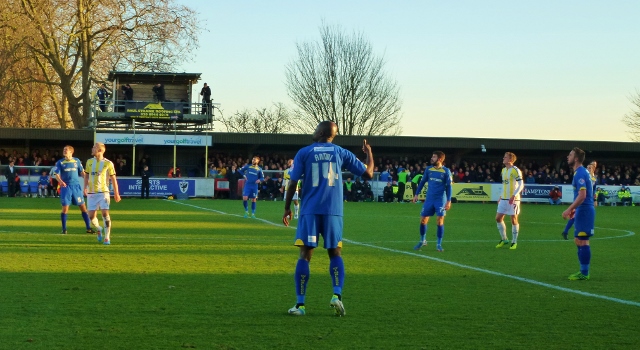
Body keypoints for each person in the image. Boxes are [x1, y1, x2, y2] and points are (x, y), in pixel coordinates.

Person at [283, 121, 373, 317]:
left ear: (322, 132)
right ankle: (336, 295)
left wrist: (287, 207)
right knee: (335, 253)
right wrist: (369, 153)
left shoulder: (305, 152)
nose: (313, 131)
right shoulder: (341, 152)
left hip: (310, 211)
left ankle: (300, 305)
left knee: (305, 255)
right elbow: (368, 173)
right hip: (333, 211)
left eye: (316, 129)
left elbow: (293, 182)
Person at [562, 147, 595, 280]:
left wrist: (569, 209)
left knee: (583, 241)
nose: (567, 157)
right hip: (582, 210)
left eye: (570, 155)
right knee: (578, 240)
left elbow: (582, 196)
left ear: (576, 158)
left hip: (585, 210)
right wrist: (575, 209)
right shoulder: (580, 172)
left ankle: (584, 272)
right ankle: (583, 270)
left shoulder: (580, 173)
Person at [412, 151, 453, 252]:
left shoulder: (446, 171)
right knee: (423, 220)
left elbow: (449, 187)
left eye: (434, 157)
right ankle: (422, 241)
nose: (432, 158)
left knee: (439, 221)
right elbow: (422, 182)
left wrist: (448, 201)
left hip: (440, 200)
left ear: (439, 159)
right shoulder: (428, 169)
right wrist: (416, 194)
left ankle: (438, 244)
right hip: (429, 199)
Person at [83, 142, 121, 245]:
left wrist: (116, 193)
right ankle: (99, 228)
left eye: (94, 147)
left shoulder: (108, 163)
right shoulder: (89, 162)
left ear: (100, 150)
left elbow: (113, 179)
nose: (92, 149)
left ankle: (107, 237)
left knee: (105, 213)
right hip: (91, 193)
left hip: (103, 192)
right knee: (91, 216)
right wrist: (85, 187)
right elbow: (86, 176)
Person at [54, 146, 94, 234]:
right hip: (66, 188)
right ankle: (64, 229)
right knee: (65, 208)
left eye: (66, 150)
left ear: (71, 152)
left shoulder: (77, 161)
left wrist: (88, 182)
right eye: (63, 149)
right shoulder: (60, 162)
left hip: (76, 187)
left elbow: (82, 173)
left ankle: (88, 228)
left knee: (83, 207)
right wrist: (61, 182)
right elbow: (56, 174)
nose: (64, 151)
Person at [496, 152, 524, 250]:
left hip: (514, 199)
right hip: (503, 198)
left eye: (505, 157)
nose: (503, 158)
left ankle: (514, 242)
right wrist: (500, 196)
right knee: (498, 218)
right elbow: (505, 185)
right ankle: (504, 239)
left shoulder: (516, 170)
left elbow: (521, 185)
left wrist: (514, 195)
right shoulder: (503, 170)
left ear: (510, 160)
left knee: (513, 219)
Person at [562, 161, 596, 235]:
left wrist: (594, 199)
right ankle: (566, 231)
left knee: (574, 217)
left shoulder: (593, 178)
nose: (589, 169)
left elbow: (593, 190)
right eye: (588, 167)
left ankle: (566, 231)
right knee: (574, 217)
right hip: (581, 201)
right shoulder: (584, 175)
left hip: (587, 202)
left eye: (591, 168)